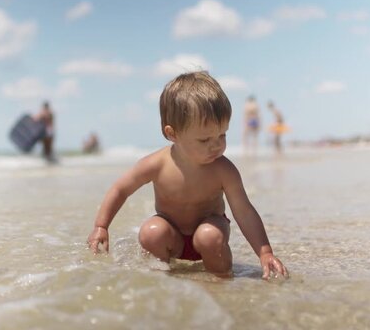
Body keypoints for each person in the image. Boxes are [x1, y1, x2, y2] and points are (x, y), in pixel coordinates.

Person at [87, 71, 288, 279]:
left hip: (211, 235)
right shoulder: (156, 164)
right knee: (151, 232)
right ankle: (162, 282)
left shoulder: (223, 170)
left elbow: (244, 211)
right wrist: (101, 226)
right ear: (172, 134)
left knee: (209, 236)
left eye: (222, 135)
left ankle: (221, 282)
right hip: (172, 238)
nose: (217, 145)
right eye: (204, 140)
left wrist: (265, 253)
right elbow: (120, 189)